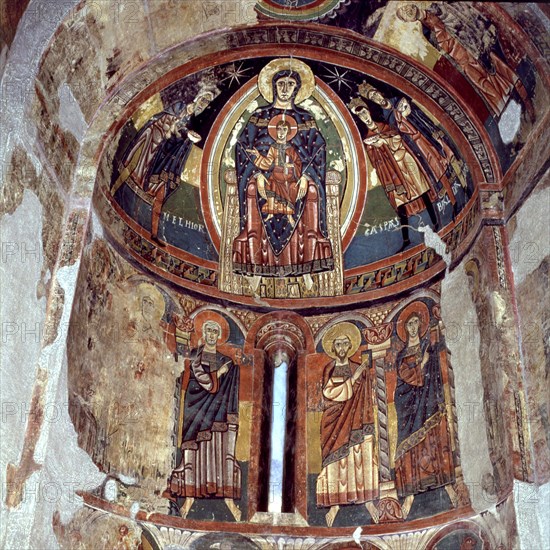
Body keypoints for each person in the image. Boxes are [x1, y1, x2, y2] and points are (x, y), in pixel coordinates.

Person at [232, 59, 334, 277]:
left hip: (296, 178)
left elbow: (318, 149)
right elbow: (243, 145)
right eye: (281, 84)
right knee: (253, 189)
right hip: (267, 177)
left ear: (297, 89)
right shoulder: (259, 116)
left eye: (290, 84)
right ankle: (257, 263)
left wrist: (306, 175)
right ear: (273, 87)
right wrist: (257, 172)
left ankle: (307, 264)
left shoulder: (306, 118)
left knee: (312, 191)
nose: (285, 89)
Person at [163, 319, 241, 521]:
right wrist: (218, 374)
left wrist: (230, 370)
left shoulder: (225, 360)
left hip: (218, 416)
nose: (213, 335)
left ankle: (227, 497)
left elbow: (229, 386)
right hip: (196, 410)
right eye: (209, 331)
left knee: (218, 450)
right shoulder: (196, 355)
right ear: (204, 334)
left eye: (216, 331)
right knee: (194, 453)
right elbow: (198, 378)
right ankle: (189, 498)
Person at [112, 90, 215, 244]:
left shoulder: (193, 121)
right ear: (198, 98)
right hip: (157, 149)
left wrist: (189, 137)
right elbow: (167, 124)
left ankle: (154, 234)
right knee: (133, 168)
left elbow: (182, 141)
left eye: (206, 103)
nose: (203, 105)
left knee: (161, 196)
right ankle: (113, 194)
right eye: (203, 100)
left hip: (171, 161)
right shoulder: (180, 107)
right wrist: (184, 132)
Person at [396, 4, 523, 117]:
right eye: (404, 15)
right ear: (408, 21)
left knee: (500, 73)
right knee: (484, 86)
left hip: (473, 48)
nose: (407, 11)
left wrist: (478, 40)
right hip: (461, 60)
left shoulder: (437, 8)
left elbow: (462, 20)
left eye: (405, 8)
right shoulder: (426, 33)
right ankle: (509, 110)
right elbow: (442, 49)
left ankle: (523, 100)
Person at [350, 99, 440, 251]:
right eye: (360, 116)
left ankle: (436, 222)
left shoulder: (384, 126)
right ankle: (406, 239)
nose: (364, 116)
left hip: (404, 163)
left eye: (364, 112)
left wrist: (384, 140)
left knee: (421, 190)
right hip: (390, 172)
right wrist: (374, 146)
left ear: (369, 111)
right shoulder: (367, 137)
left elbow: (397, 137)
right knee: (400, 204)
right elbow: (373, 159)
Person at [357, 83, 458, 216]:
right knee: (433, 170)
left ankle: (456, 198)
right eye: (373, 98)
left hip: (422, 135)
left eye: (376, 94)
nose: (377, 98)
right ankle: (453, 202)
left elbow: (416, 113)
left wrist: (406, 112)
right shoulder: (384, 116)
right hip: (412, 145)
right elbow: (395, 133)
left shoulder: (397, 100)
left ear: (380, 92)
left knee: (440, 160)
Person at [392, 304, 455, 506]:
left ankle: (444, 483)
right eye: (408, 324)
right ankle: (410, 492)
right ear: (405, 327)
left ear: (420, 324)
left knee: (433, 438)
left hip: (429, 403)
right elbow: (404, 376)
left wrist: (442, 328)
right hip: (409, 407)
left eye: (415, 322)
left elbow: (442, 352)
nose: (412, 327)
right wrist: (422, 363)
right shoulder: (402, 355)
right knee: (411, 445)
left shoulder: (428, 345)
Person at [316, 322, 378, 527]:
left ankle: (367, 499)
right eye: (338, 345)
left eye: (345, 344)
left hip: (357, 420)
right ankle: (334, 505)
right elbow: (329, 394)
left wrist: (365, 373)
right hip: (334, 422)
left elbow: (367, 392)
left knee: (358, 457)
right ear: (333, 348)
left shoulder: (355, 366)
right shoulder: (329, 369)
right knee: (336, 463)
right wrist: (357, 376)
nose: (342, 348)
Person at [246, 119, 308, 227]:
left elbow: (298, 162)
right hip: (275, 175)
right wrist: (258, 156)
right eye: (279, 129)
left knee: (292, 187)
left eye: (284, 130)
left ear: (288, 132)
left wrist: (292, 166)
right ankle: (271, 213)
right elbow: (268, 162)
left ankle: (289, 216)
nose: (281, 132)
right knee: (271, 184)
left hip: (288, 177)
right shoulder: (273, 148)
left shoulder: (291, 149)